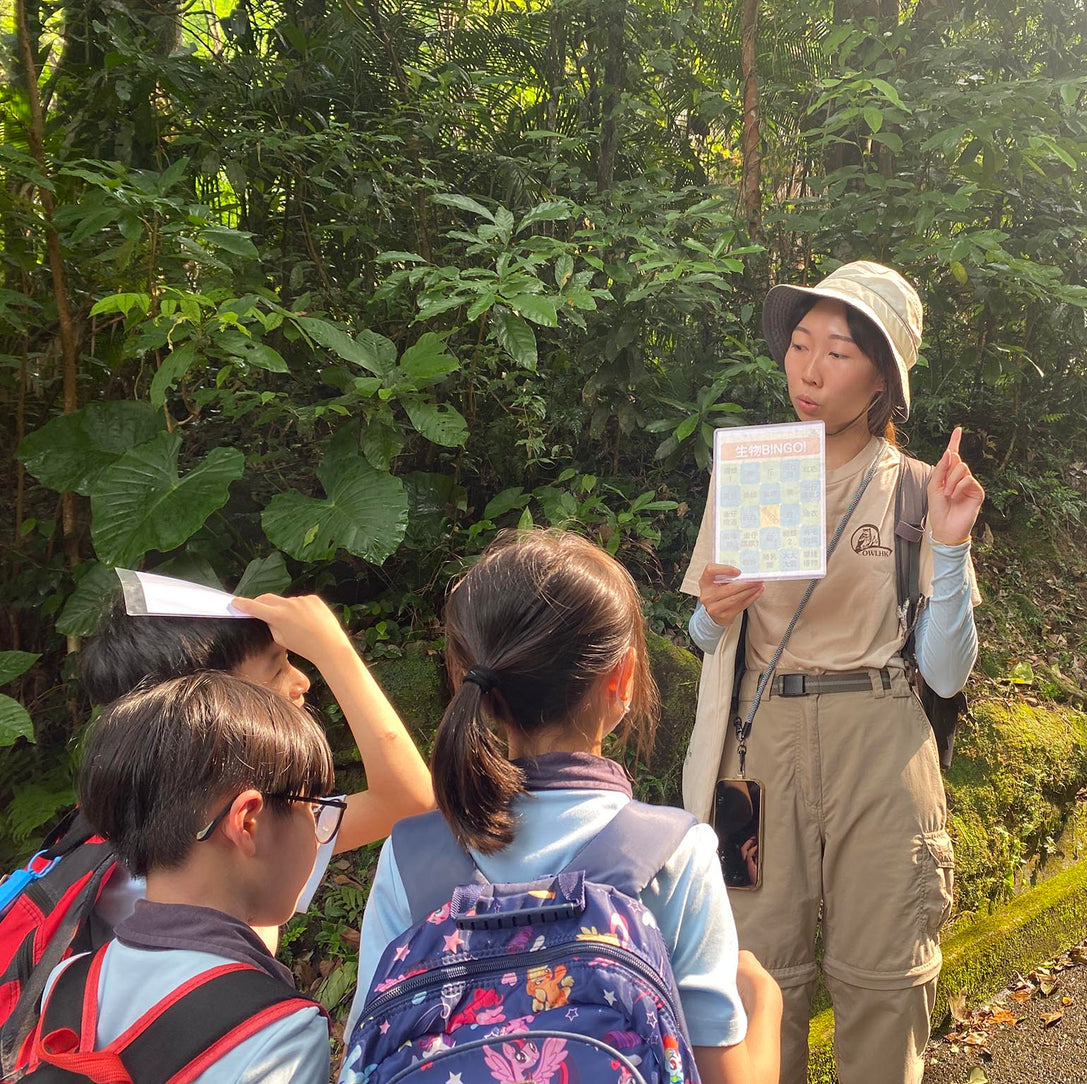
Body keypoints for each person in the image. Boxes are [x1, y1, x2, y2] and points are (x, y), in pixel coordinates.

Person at [679, 261, 984, 1083]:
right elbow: (704, 637)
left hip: (880, 740)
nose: (808, 371)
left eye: (839, 353)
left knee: (887, 979)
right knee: (752, 975)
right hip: (756, 745)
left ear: (884, 377)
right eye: (800, 345)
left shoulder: (917, 490)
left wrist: (949, 549)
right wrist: (713, 610)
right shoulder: (752, 471)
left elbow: (947, 674)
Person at [347, 529, 782, 1083]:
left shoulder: (410, 856)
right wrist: (766, 1003)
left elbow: (367, 1053)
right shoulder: (675, 854)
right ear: (621, 676)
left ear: (474, 680)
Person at [21, 672, 338, 1081]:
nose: (317, 833)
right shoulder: (281, 1034)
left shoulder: (70, 983)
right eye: (313, 809)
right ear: (249, 821)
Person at [81, 591, 434, 930]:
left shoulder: (142, 817)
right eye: (277, 668)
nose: (302, 682)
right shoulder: (232, 837)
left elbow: (404, 801)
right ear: (205, 705)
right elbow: (407, 799)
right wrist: (333, 650)